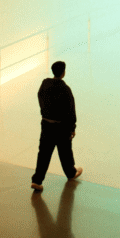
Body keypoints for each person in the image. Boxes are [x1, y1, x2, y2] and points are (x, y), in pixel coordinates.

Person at [31, 61, 83, 191]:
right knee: (65, 151)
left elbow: (40, 97)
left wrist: (45, 112)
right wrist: (72, 128)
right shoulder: (65, 89)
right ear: (63, 73)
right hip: (61, 127)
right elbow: (71, 110)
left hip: (46, 125)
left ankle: (37, 180)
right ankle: (71, 173)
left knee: (43, 153)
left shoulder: (45, 84)